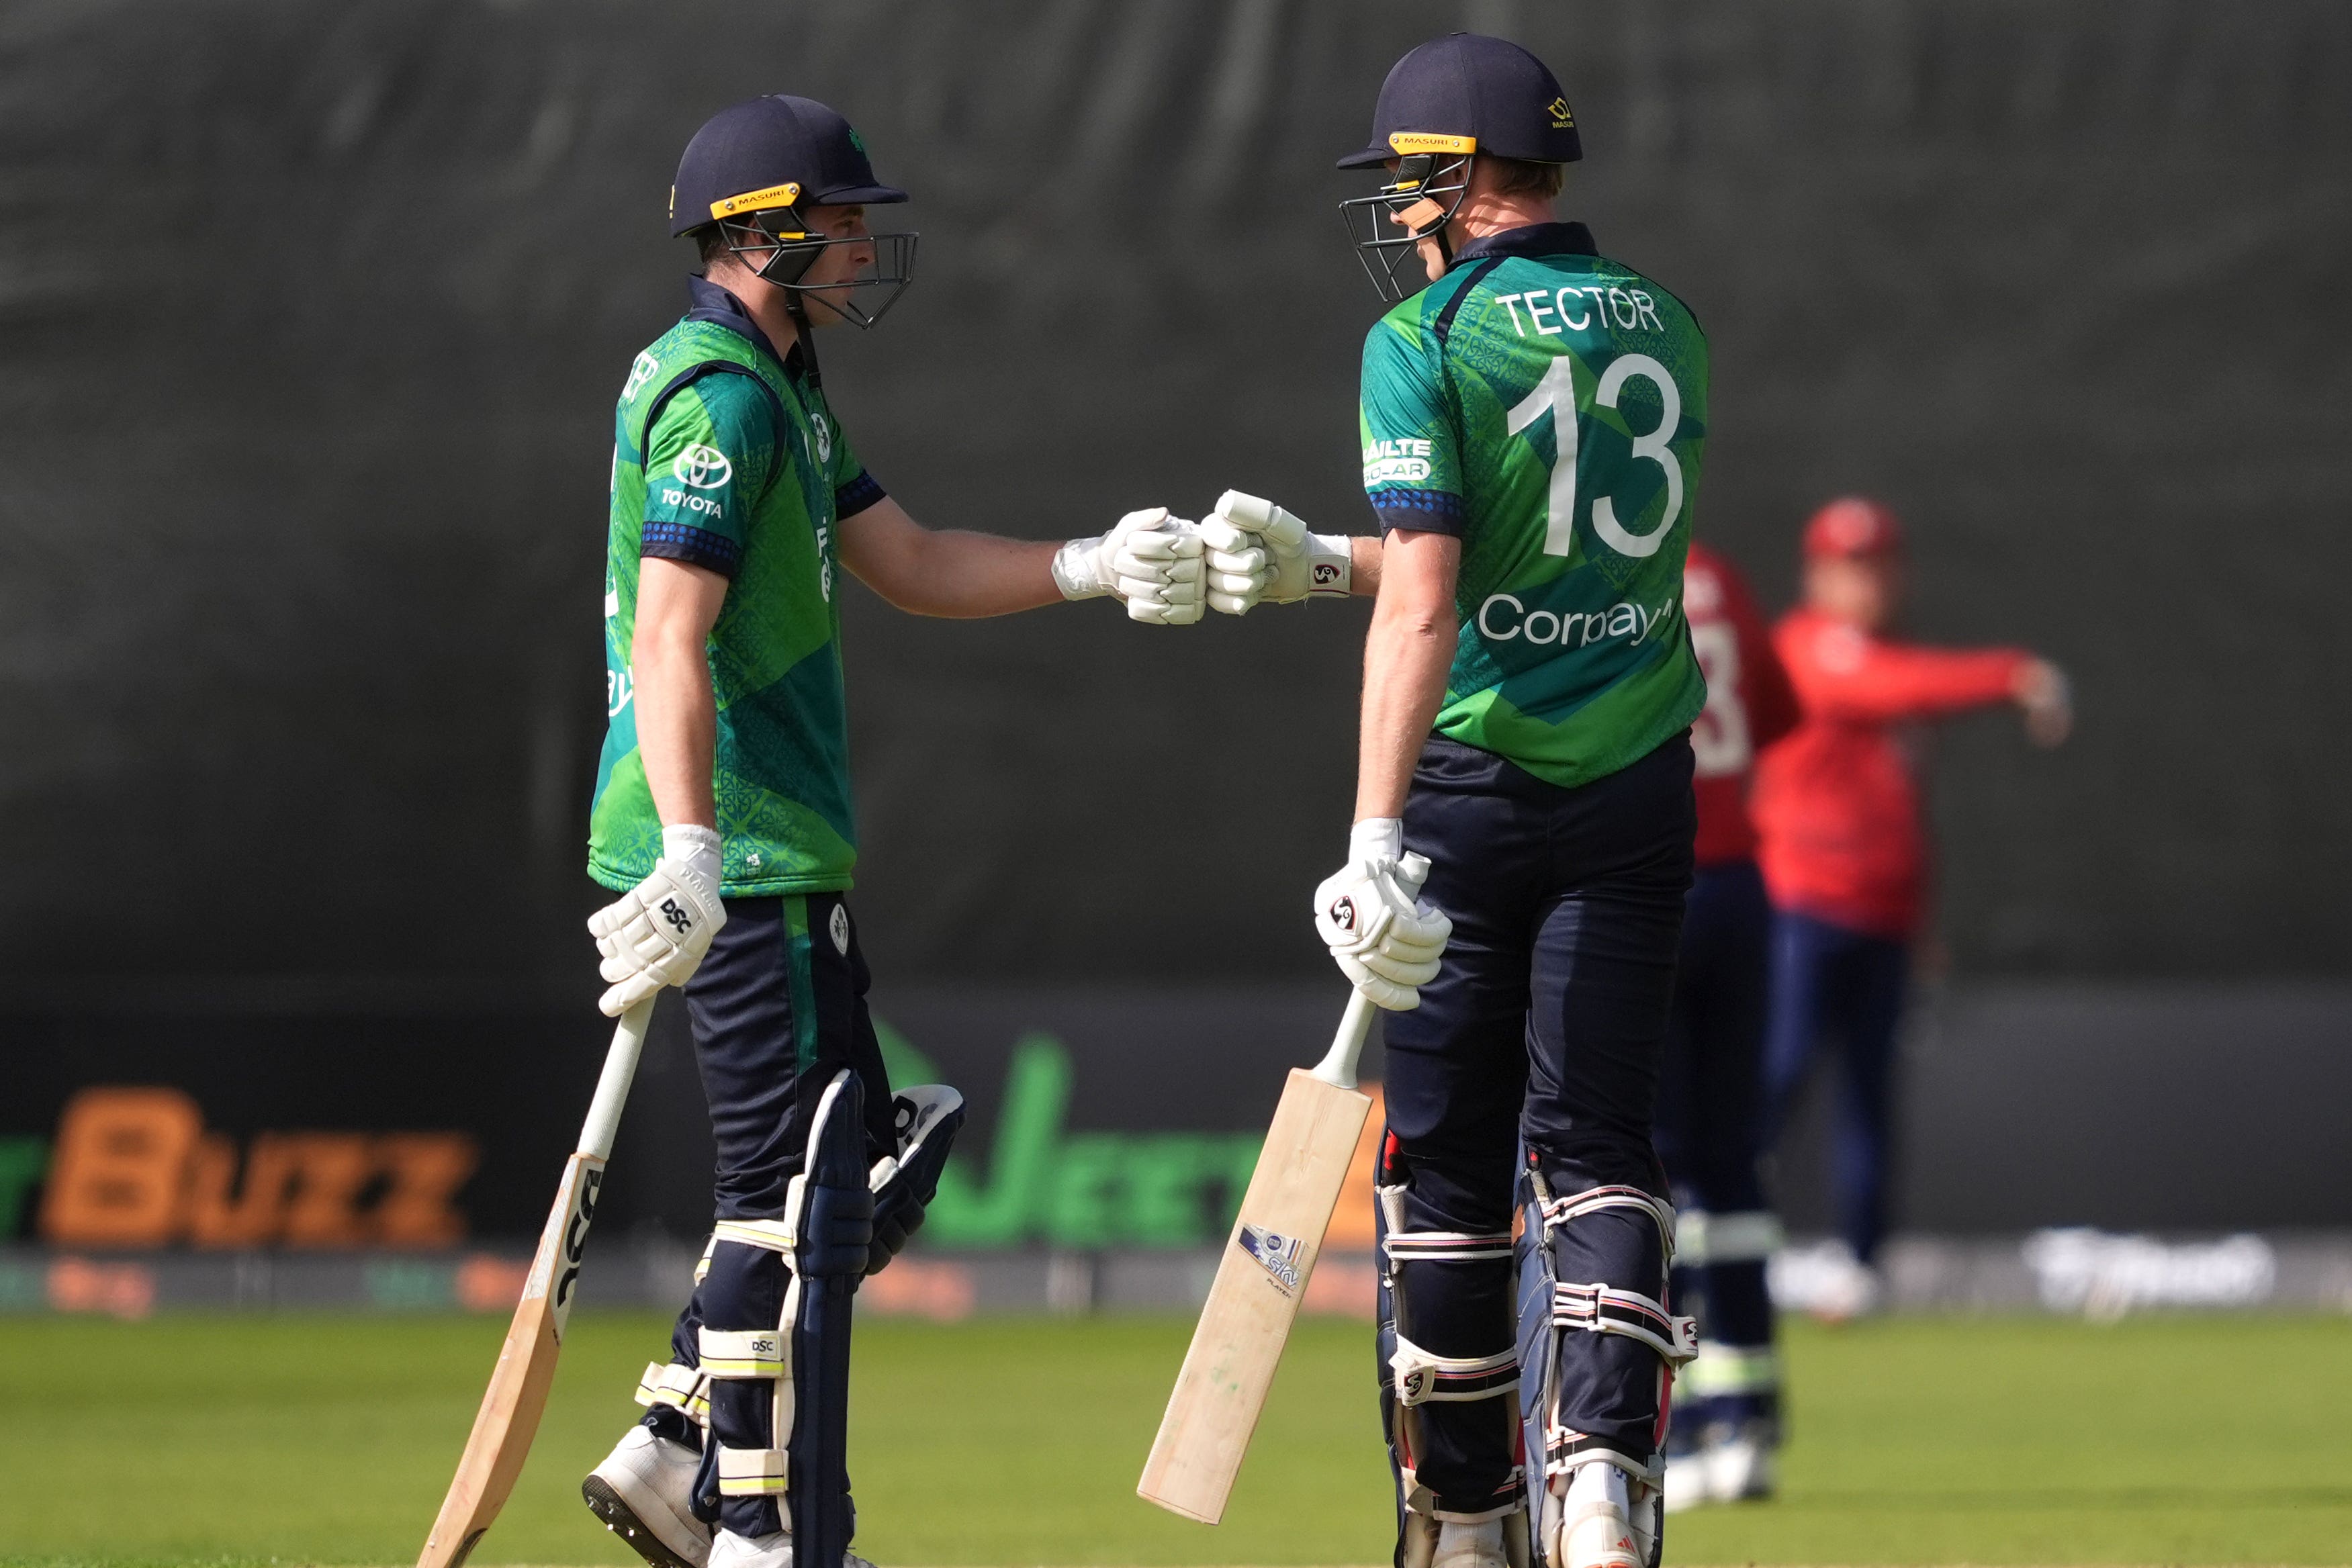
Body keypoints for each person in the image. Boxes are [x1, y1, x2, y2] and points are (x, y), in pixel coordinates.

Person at [576, 95, 1209, 1568]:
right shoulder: (724, 397)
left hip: (766, 851)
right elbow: (671, 636)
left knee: (856, 1165)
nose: (863, 243)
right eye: (841, 219)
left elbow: (910, 561)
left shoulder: (775, 385)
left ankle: (675, 1444)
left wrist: (1091, 563)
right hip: (741, 855)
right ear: (761, 233)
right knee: (783, 1205)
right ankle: (758, 1525)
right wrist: (688, 854)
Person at [1203, 33, 1711, 1568]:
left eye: (1406, 183)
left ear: (1453, 178)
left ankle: (1469, 1513)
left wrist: (1370, 838)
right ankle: (1604, 1474)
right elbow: (1542, 544)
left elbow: (1429, 594)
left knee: (1445, 1163)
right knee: (1602, 1144)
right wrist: (1313, 556)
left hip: (1471, 790)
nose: (1395, 215)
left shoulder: (1428, 334)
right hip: (1634, 782)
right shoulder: (1667, 323)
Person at [1750, 497, 2071, 1318]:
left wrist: (1922, 924)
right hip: (1802, 906)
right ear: (1815, 573)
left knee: (1869, 1094)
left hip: (1883, 918)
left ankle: (1861, 1266)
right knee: (1773, 1077)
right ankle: (1708, 1239)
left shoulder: (1889, 672)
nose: (1867, 581)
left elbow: (1901, 813)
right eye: (1849, 565)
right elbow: (1896, 685)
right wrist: (2013, 673)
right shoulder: (1807, 648)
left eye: (1880, 563)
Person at [1653, 544, 1799, 1511]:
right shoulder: (1716, 569)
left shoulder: (1592, 562)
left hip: (1645, 878)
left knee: (1644, 1167)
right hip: (1744, 885)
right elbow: (1780, 710)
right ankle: (1746, 1413)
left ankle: (1674, 1421)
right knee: (1730, 1160)